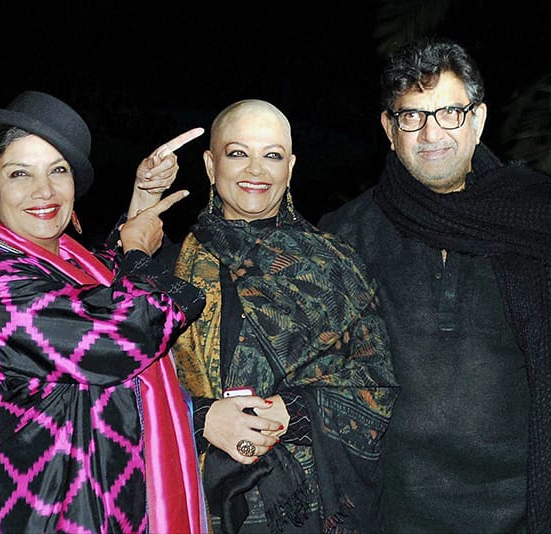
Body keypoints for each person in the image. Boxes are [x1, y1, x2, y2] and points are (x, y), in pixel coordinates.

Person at [318, 37, 551, 533]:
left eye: (449, 112)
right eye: (412, 116)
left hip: (529, 508)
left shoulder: (543, 218)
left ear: (478, 119)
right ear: (389, 128)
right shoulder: (346, 235)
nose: (431, 133)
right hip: (389, 512)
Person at [0, 90, 208, 533]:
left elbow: (102, 291)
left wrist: (143, 197)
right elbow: (125, 330)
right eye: (19, 174)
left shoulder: (69, 261)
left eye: (58, 170)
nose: (45, 190)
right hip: (58, 512)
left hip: (120, 504)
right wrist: (137, 254)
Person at [165, 99, 398, 533]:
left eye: (271, 155)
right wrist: (200, 418)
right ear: (210, 165)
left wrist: (296, 411)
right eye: (238, 153)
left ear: (289, 168)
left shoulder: (334, 266)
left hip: (308, 505)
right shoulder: (169, 271)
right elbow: (124, 390)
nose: (256, 170)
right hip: (194, 502)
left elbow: (377, 382)